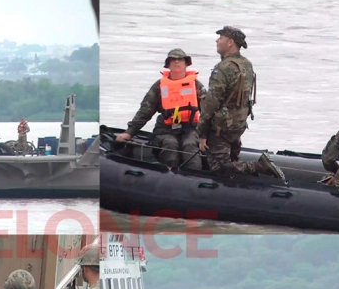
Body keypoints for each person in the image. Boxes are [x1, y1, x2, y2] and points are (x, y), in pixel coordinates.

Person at [198, 26, 283, 179]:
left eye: (221, 38)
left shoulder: (223, 68)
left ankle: (260, 166)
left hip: (221, 127)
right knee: (232, 160)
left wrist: (202, 133)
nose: (217, 40)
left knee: (219, 167)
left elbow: (210, 104)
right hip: (238, 124)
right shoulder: (247, 65)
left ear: (230, 42)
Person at [116, 48, 206, 170]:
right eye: (173, 60)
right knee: (170, 144)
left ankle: (194, 177)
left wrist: (209, 134)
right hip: (165, 129)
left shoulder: (196, 85)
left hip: (190, 128)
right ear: (168, 64)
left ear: (186, 64)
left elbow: (208, 111)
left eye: (180, 60)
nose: (177, 62)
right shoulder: (159, 86)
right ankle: (169, 174)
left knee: (190, 145)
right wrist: (130, 132)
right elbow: (145, 110)